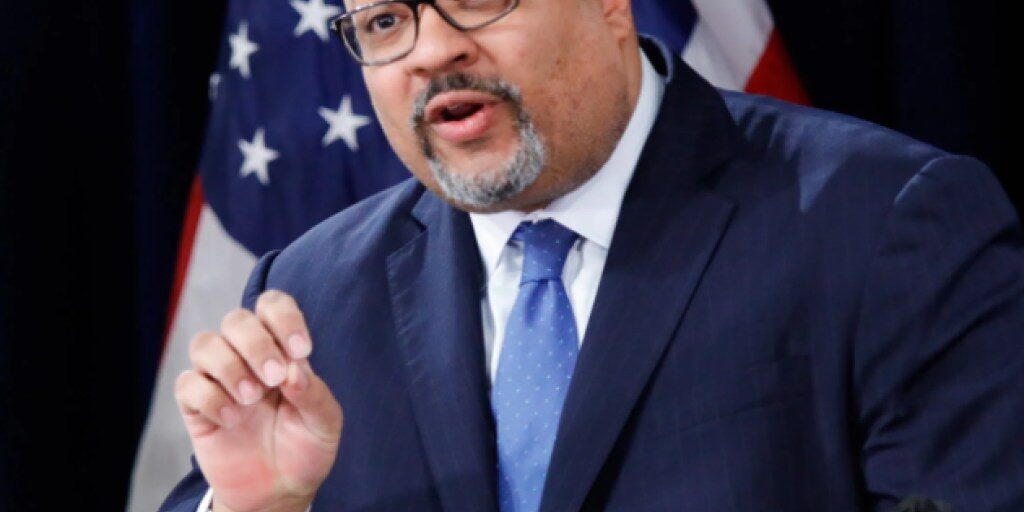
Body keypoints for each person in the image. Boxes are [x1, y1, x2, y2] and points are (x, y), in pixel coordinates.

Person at [161, 0, 1024, 510]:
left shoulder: (882, 223)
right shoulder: (309, 299)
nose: (430, 49)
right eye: (386, 20)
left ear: (612, 3)